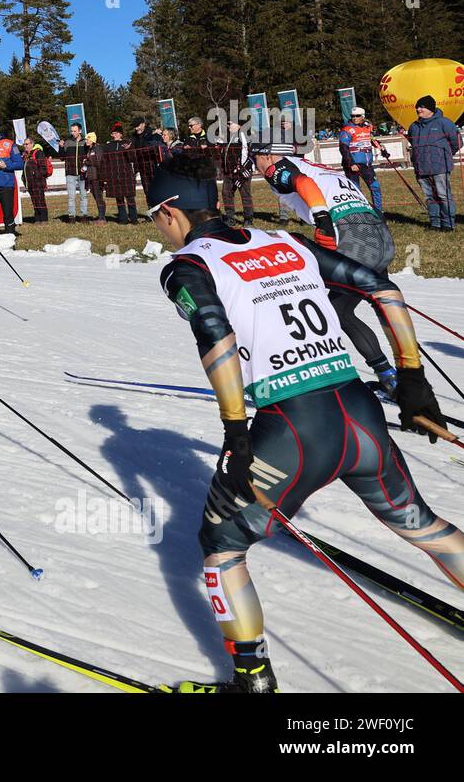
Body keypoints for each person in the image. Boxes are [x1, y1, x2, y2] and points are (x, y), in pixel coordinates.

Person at [147, 152, 460, 693]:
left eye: (156, 216)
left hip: (291, 428)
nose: (159, 229)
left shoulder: (188, 267)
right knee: (424, 526)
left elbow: (217, 340)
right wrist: (413, 382)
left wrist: (236, 431)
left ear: (171, 211)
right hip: (359, 415)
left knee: (221, 546)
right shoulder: (285, 242)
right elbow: (384, 289)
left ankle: (253, 682)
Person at [248, 135, 398, 392]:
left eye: (255, 160)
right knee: (382, 304)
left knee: (338, 312)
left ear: (267, 155)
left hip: (354, 237)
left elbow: (303, 183)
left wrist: (323, 220)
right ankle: (408, 375)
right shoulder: (317, 167)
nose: (255, 167)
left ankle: (389, 377)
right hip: (379, 234)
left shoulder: (277, 168)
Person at [406, 95, 460, 232]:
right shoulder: (414, 126)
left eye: (421, 107)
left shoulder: (444, 123)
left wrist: (445, 155)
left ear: (430, 108)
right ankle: (435, 223)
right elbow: (413, 144)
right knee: (430, 197)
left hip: (440, 166)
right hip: (421, 167)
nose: (418, 109)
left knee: (443, 195)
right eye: (417, 107)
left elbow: (457, 142)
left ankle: (448, 223)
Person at [338, 106, 382, 213]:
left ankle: (378, 212)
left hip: (366, 164)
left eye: (357, 116)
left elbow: (372, 140)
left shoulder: (367, 127)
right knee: (356, 190)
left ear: (363, 116)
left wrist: (382, 148)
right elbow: (343, 148)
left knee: (375, 187)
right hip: (353, 165)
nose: (354, 118)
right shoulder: (347, 129)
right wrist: (351, 163)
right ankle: (361, 211)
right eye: (352, 116)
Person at [219, 120, 255, 227]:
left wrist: (241, 169)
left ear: (238, 125)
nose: (228, 125)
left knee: (245, 194)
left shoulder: (243, 134)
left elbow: (246, 152)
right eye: (228, 123)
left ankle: (248, 219)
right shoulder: (229, 136)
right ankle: (230, 218)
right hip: (228, 172)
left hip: (241, 171)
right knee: (226, 193)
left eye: (230, 123)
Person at [102, 123, 137, 224]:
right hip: (114, 176)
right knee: (119, 199)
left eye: (117, 133)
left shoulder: (128, 143)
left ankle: (134, 219)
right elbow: (105, 162)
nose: (115, 135)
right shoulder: (107, 146)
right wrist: (105, 176)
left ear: (121, 134)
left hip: (127, 175)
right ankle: (123, 219)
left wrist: (128, 150)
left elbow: (132, 159)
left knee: (130, 198)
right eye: (113, 133)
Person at [61, 123, 90, 222]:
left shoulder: (85, 142)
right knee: (71, 196)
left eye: (75, 131)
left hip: (82, 173)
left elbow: (90, 156)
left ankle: (83, 216)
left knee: (83, 195)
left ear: (80, 131)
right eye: (71, 131)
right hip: (70, 173)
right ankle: (71, 216)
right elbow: (62, 157)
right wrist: (61, 147)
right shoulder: (67, 142)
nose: (73, 133)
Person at [22, 140, 51, 224]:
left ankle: (44, 219)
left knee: (40, 200)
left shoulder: (38, 153)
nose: (25, 146)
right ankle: (37, 218)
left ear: (32, 144)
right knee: (34, 201)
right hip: (29, 182)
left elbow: (43, 168)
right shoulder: (26, 155)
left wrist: (36, 175)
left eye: (27, 144)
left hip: (38, 181)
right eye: (24, 144)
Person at [84, 131, 106, 224]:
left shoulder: (98, 148)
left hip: (97, 177)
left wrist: (87, 161)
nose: (86, 141)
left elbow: (98, 161)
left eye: (88, 139)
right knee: (96, 197)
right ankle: (101, 216)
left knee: (99, 197)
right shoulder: (90, 149)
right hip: (91, 177)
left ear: (92, 139)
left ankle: (102, 218)